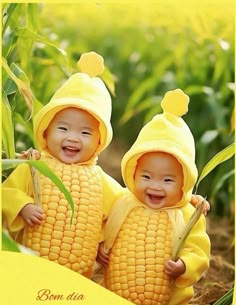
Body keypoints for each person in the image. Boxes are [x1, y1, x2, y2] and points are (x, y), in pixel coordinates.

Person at [2, 52, 125, 278]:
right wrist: (23, 206)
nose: (73, 138)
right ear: (46, 132)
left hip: (76, 277)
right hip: (30, 266)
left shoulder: (101, 182)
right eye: (63, 128)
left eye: (85, 132)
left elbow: (125, 209)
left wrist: (101, 242)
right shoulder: (35, 167)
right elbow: (6, 192)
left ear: (99, 141)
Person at [97, 89, 211, 305]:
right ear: (133, 173)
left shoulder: (187, 215)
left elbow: (198, 250)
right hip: (115, 294)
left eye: (168, 180)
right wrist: (100, 246)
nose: (155, 186)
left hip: (166, 300)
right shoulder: (122, 200)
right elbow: (95, 207)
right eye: (146, 176)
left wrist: (184, 265)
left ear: (184, 183)